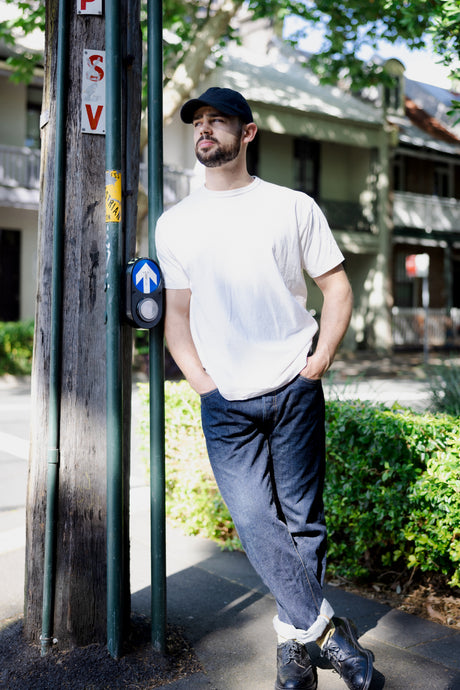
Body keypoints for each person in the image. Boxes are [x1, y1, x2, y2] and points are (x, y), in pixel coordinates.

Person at [155, 87, 374, 690]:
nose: (205, 130)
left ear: (247, 134)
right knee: (254, 519)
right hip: (226, 401)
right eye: (199, 122)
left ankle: (294, 646)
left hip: (293, 384)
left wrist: (320, 357)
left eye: (217, 120)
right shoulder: (175, 223)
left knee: (304, 521)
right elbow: (176, 316)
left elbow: (336, 287)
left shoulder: (291, 207)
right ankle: (328, 632)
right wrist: (203, 383)